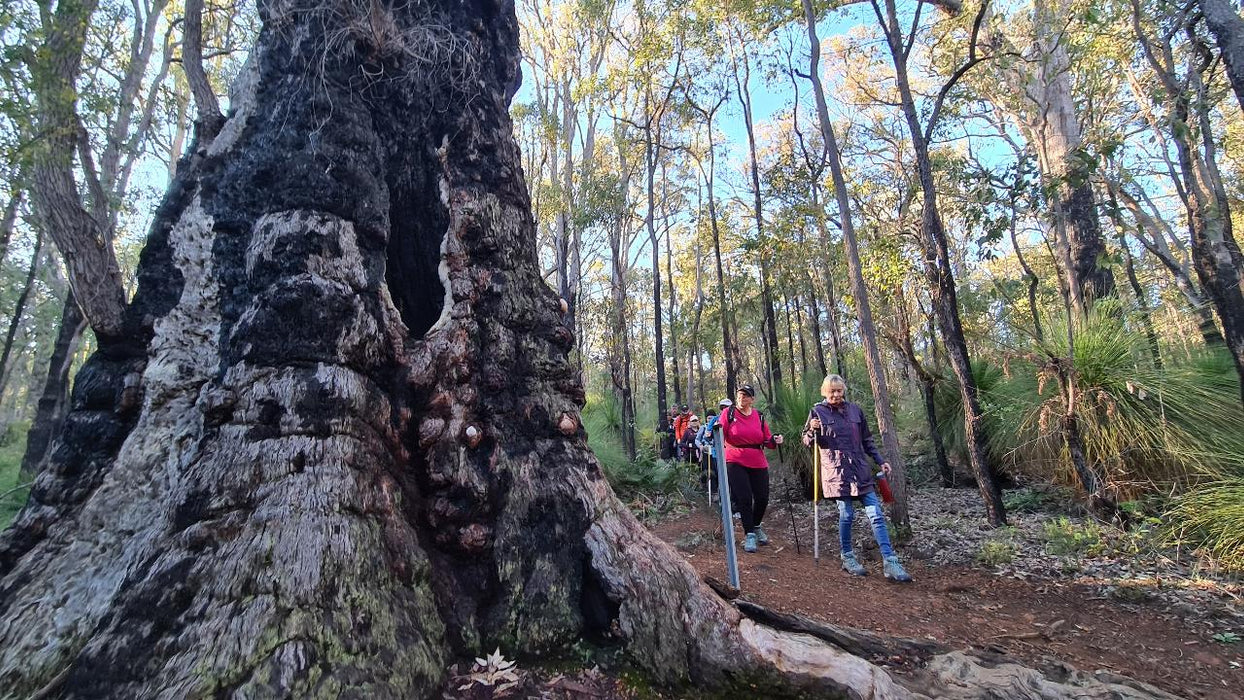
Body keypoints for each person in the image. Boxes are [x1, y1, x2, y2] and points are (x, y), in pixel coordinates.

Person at [802, 374, 912, 582]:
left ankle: (890, 561)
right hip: (837, 473)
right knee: (847, 515)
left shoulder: (855, 411)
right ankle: (848, 556)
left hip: (860, 470)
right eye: (832, 391)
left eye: (839, 390)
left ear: (843, 390)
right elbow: (807, 440)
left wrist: (880, 460)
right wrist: (811, 431)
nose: (836, 394)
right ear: (824, 392)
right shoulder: (817, 412)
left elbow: (867, 439)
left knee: (876, 514)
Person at [719, 384, 783, 553]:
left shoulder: (759, 417)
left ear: (752, 400)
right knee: (744, 498)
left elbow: (767, 441)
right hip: (734, 459)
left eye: (746, 395)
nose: (742, 397)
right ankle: (749, 535)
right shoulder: (729, 413)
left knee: (762, 497)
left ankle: (755, 525)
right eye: (739, 394)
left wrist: (775, 440)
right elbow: (719, 433)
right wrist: (712, 432)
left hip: (757, 460)